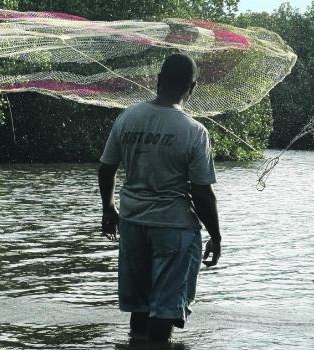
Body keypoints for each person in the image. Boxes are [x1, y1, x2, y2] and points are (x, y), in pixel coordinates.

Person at [98, 53, 222, 342]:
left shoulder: (128, 116)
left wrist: (109, 208)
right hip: (174, 229)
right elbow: (201, 193)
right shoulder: (194, 131)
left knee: (139, 308)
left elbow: (106, 168)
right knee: (164, 311)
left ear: (158, 81)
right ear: (192, 87)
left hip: (131, 223)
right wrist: (215, 236)